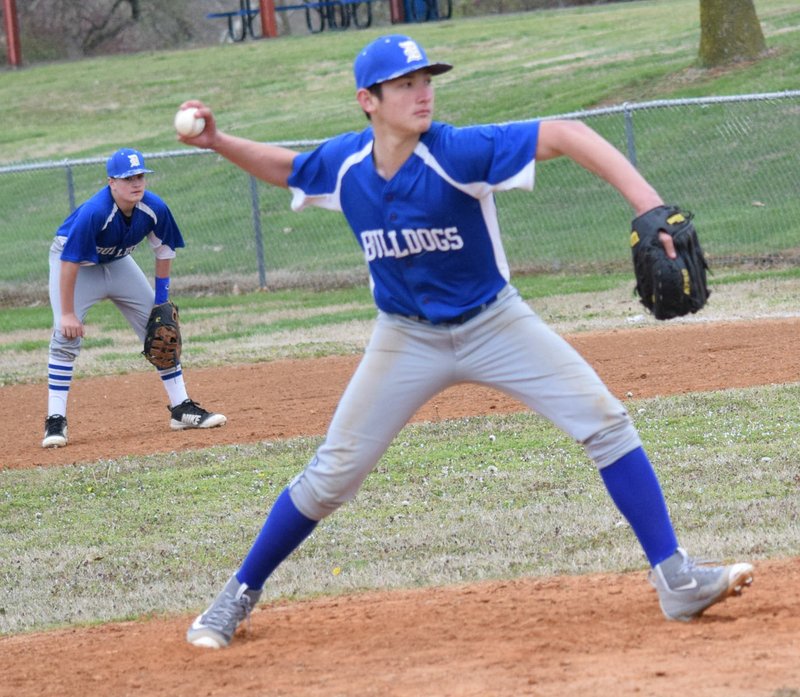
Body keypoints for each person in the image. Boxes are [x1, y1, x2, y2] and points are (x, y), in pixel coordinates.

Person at [180, 35, 753, 649]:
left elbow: (565, 134)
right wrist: (217, 141)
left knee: (607, 424)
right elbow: (287, 168)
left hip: (495, 323)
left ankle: (677, 579)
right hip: (405, 336)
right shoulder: (347, 165)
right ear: (367, 100)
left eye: (426, 79)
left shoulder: (455, 151)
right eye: (405, 84)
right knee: (332, 476)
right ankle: (237, 594)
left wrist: (649, 205)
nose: (423, 92)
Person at [42, 147, 226, 448]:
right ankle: (55, 421)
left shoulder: (154, 208)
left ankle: (181, 409)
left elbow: (164, 251)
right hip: (75, 265)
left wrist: (160, 301)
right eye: (128, 178)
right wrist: (66, 313)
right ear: (111, 182)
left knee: (162, 331)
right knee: (65, 337)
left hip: (118, 263)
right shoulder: (95, 212)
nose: (136, 183)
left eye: (139, 176)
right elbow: (69, 261)